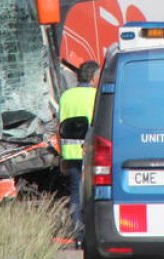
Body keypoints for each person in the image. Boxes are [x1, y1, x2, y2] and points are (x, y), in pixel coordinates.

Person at [59, 60, 100, 248]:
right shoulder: (96, 96)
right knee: (93, 194)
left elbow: (60, 126)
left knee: (76, 194)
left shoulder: (66, 96)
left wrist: (62, 156)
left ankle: (77, 234)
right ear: (93, 77)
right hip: (92, 153)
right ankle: (92, 234)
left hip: (70, 153)